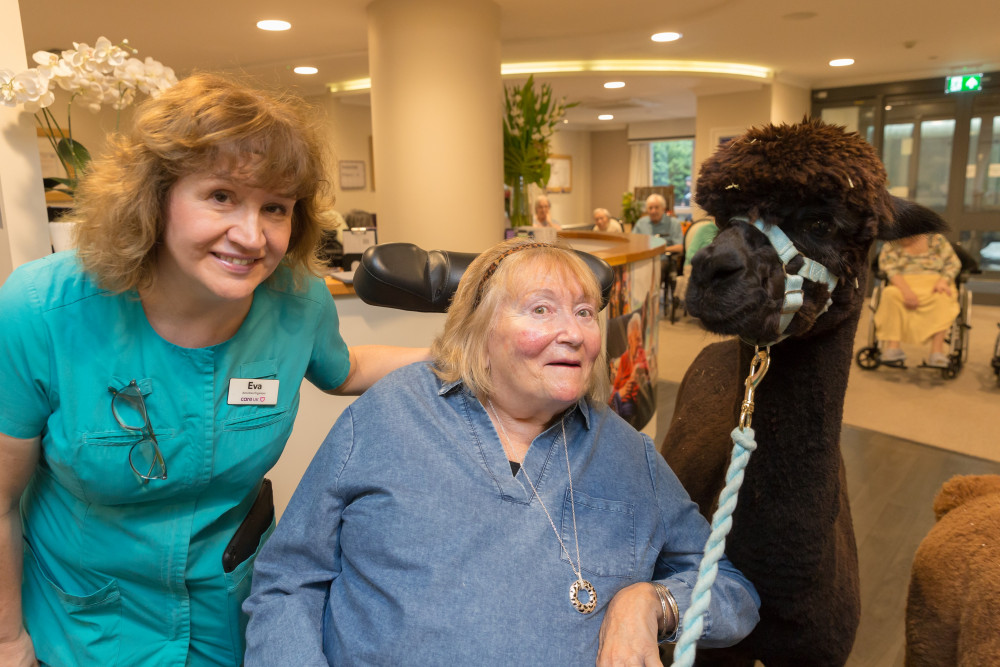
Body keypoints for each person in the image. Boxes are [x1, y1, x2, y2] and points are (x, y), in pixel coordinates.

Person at [0, 73, 428, 666]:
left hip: (230, 612)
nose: (251, 236)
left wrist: (475, 354)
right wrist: (8, 641)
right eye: (221, 196)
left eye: (274, 207)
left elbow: (344, 367)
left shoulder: (297, 301)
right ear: (154, 197)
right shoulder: (43, 311)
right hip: (86, 622)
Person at [243, 238, 760, 665]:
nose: (573, 334)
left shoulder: (629, 455)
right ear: (479, 332)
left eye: (584, 313)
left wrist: (651, 601)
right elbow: (288, 581)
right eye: (541, 310)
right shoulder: (387, 417)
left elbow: (733, 592)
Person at [874, 232, 961, 367]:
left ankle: (937, 352)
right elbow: (890, 269)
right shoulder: (891, 243)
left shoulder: (936, 240)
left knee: (943, 298)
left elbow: (953, 264)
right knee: (889, 295)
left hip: (935, 283)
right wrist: (907, 292)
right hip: (902, 283)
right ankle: (893, 347)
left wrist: (943, 281)